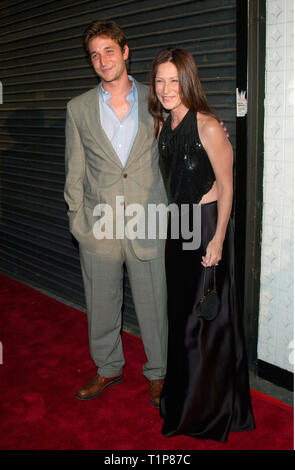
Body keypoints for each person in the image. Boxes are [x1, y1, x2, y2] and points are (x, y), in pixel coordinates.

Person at [148, 48, 255, 442]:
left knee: (202, 322)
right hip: (178, 231)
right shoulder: (162, 127)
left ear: (188, 80)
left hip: (207, 229)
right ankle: (182, 399)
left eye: (174, 79)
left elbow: (228, 187)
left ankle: (205, 409)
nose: (166, 88)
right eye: (159, 80)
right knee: (180, 320)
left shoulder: (209, 126)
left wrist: (219, 239)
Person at [64, 20, 168, 407]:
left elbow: (182, 141)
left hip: (149, 221)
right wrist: (78, 221)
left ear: (125, 52)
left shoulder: (157, 98)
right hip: (99, 225)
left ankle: (158, 373)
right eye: (94, 54)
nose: (102, 60)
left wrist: (214, 133)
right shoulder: (78, 109)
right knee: (101, 302)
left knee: (155, 304)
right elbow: (74, 170)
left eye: (109, 50)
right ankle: (108, 367)